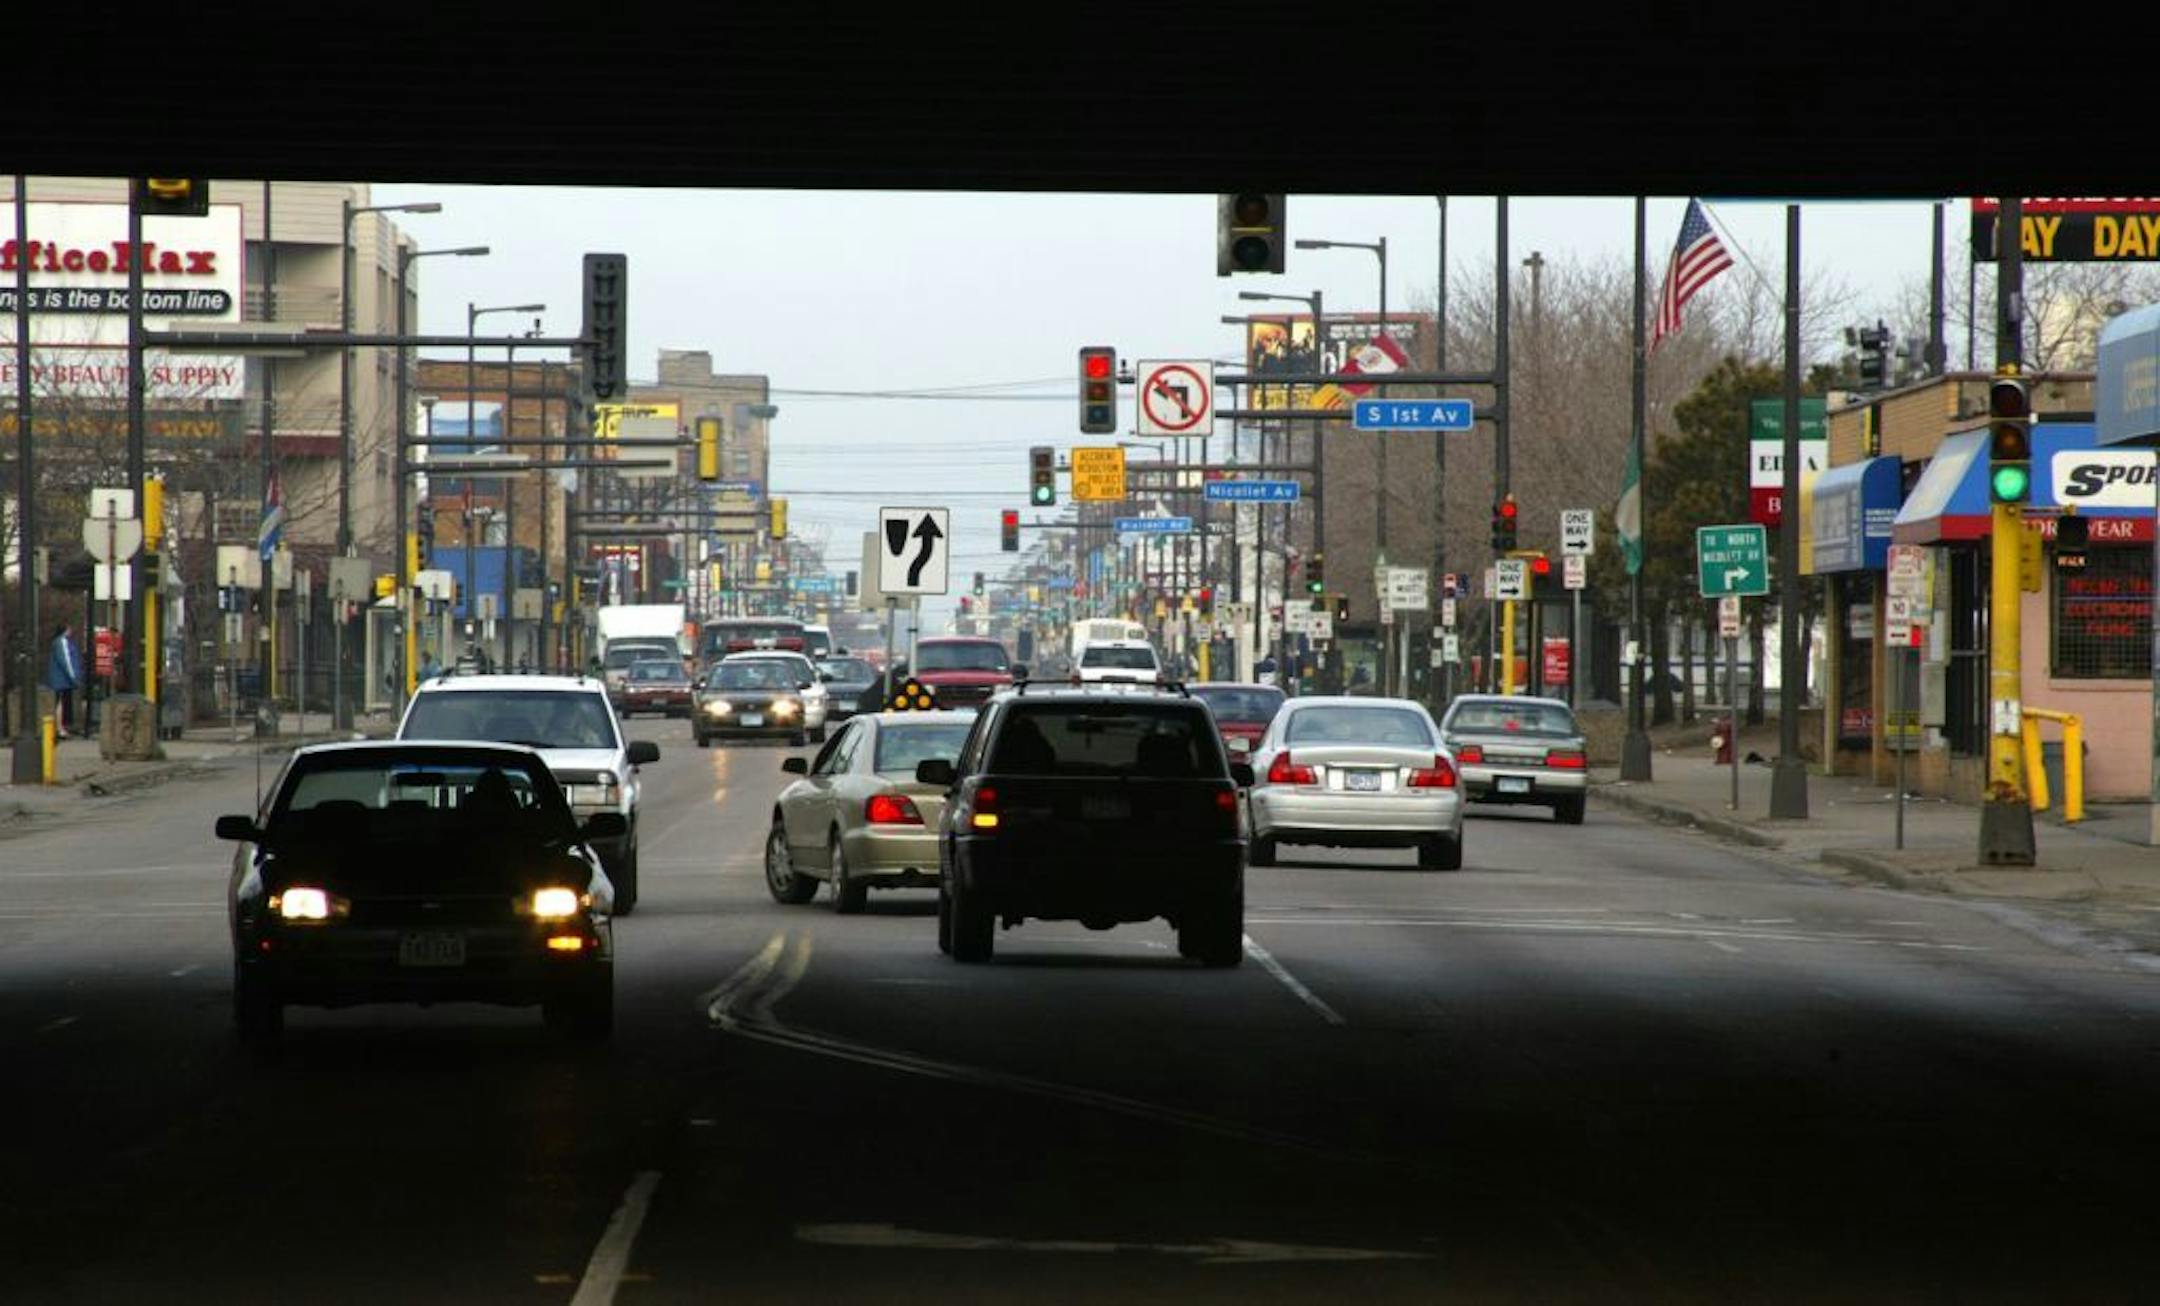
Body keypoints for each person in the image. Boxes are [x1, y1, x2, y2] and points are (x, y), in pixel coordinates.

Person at [45, 623, 81, 738]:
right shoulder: (62, 642)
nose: (71, 631)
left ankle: (60, 727)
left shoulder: (58, 641)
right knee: (60, 703)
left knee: (60, 702)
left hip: (60, 678)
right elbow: (66, 661)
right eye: (69, 628)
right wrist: (73, 677)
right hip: (62, 679)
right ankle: (60, 728)